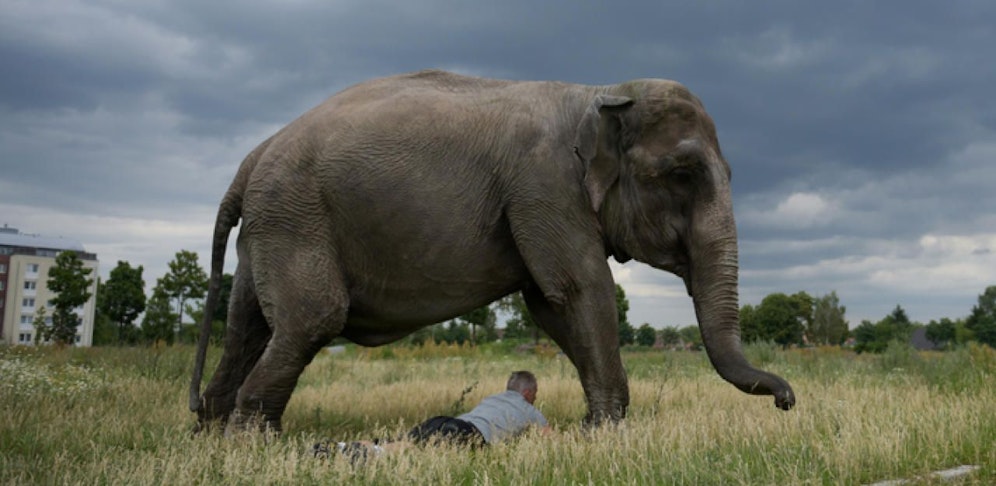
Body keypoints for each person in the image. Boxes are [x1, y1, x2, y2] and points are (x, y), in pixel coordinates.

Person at [313, 370, 550, 460]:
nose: (536, 397)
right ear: (528, 392)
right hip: (467, 433)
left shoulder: (492, 398)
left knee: (395, 443)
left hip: (446, 421)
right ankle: (363, 454)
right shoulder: (529, 409)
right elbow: (551, 440)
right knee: (407, 451)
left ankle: (337, 448)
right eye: (535, 393)